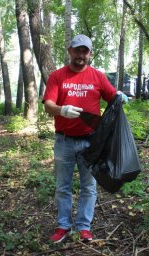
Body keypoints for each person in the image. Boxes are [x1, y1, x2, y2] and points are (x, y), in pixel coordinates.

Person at [43, 34, 127, 243]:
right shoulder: (57, 76)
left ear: (89, 54)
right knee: (63, 186)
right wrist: (62, 110)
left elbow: (112, 96)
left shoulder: (97, 76)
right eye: (77, 50)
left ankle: (83, 227)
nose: (81, 55)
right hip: (64, 141)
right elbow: (47, 105)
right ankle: (63, 226)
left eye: (85, 51)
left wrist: (119, 95)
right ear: (70, 51)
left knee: (89, 187)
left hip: (91, 142)